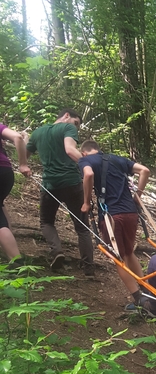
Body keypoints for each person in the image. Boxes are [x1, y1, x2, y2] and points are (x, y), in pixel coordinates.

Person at [78, 140, 154, 312]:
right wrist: (138, 195)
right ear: (98, 148)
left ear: (84, 153)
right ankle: (148, 292)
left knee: (117, 258)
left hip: (112, 215)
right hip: (131, 212)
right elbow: (145, 170)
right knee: (128, 252)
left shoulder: (86, 161)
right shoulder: (117, 159)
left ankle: (140, 300)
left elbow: (88, 175)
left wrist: (86, 202)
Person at [26, 109, 95, 276]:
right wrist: (89, 165)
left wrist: (25, 140)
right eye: (76, 123)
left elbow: (25, 154)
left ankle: (57, 252)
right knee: (82, 227)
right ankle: (88, 269)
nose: (76, 128)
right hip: (72, 183)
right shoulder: (67, 128)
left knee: (46, 222)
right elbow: (70, 150)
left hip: (50, 185)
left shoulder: (37, 133)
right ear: (66, 116)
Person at [0, 124, 31, 262]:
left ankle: (16, 260)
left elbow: (17, 138)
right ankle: (9, 249)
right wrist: (22, 163)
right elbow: (19, 138)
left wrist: (24, 164)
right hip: (6, 173)